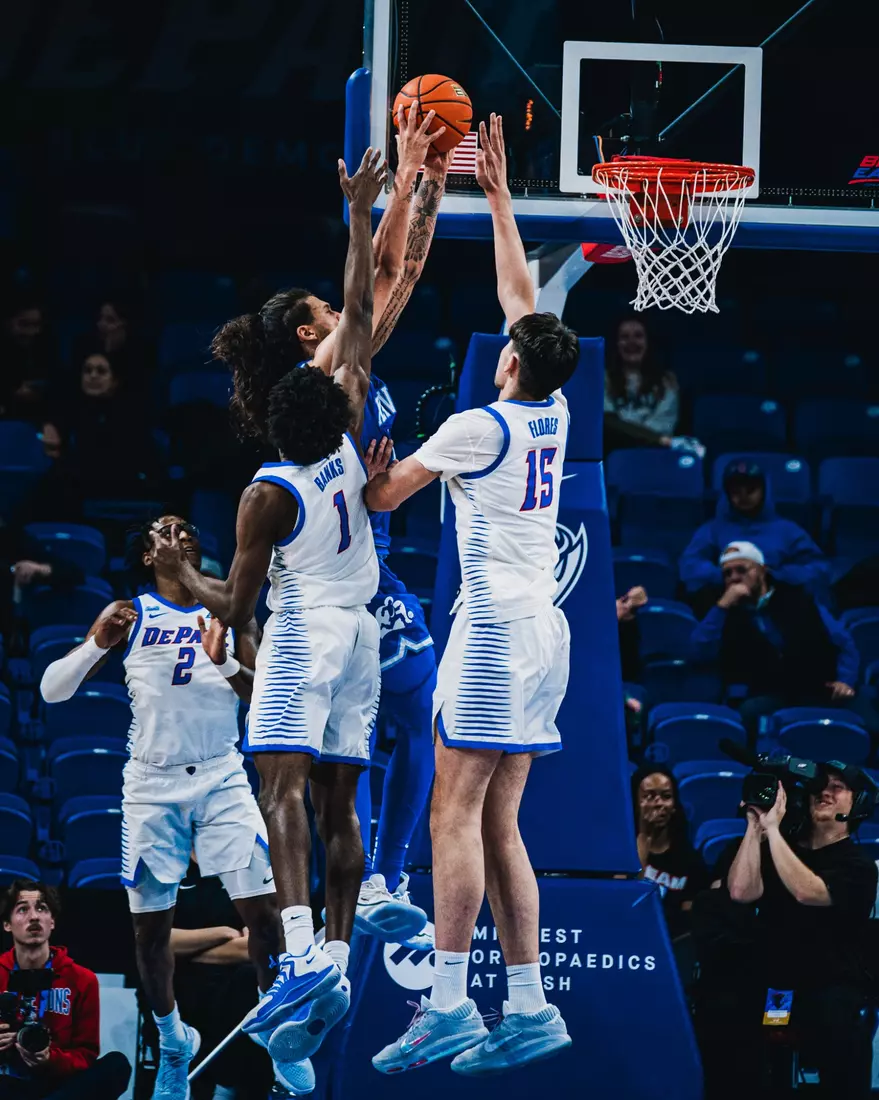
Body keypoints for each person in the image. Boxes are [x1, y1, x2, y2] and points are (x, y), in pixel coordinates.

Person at [149, 148, 390, 1067]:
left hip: (305, 635)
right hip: (362, 633)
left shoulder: (265, 492)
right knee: (339, 800)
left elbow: (232, 605)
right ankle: (333, 950)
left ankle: (296, 955)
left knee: (276, 789)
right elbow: (361, 315)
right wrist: (359, 216)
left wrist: (181, 569)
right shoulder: (347, 423)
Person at [367, 114, 577, 1077]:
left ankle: (449, 1004)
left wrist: (368, 463)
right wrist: (496, 196)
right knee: (501, 822)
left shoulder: (473, 426)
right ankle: (530, 1008)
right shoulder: (554, 407)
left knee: (453, 815)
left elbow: (381, 497)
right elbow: (521, 302)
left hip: (491, 632)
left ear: (507, 364)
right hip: (546, 633)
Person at [212, 104, 451, 944]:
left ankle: (374, 888)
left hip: (354, 577)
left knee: (408, 713)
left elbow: (380, 271)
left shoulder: (330, 368)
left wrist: (413, 174)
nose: (342, 303)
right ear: (314, 332)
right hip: (345, 579)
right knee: (381, 730)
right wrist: (417, 179)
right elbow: (385, 280)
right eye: (328, 305)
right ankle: (359, 897)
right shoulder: (330, 364)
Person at [39, 514, 285, 1100]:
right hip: (151, 785)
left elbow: (263, 697)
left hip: (223, 774)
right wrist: (96, 642)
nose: (177, 533)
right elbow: (52, 690)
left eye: (185, 528)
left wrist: (225, 661)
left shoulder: (230, 608)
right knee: (150, 935)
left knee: (268, 918)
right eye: (162, 530)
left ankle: (278, 1035)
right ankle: (176, 1040)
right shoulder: (131, 613)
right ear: (148, 556)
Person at [699, 767, 879, 1099]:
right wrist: (755, 827)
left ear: (859, 805)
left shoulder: (859, 866)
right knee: (723, 1012)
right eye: (819, 787)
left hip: (828, 983)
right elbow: (740, 892)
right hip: (776, 985)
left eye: (838, 788)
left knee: (839, 1025)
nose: (824, 793)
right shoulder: (780, 846)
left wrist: (774, 833)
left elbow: (807, 892)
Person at [689, 541, 879, 742]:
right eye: (727, 574)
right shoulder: (722, 610)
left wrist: (845, 680)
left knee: (872, 724)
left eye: (741, 570)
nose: (734, 578)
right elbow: (698, 651)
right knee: (748, 715)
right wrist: (722, 606)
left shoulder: (799, 598)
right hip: (772, 690)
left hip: (822, 684)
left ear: (762, 570)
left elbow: (843, 643)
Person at [167, 859, 301, 1099]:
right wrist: (223, 933)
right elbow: (157, 942)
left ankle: (227, 1085)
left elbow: (257, 945)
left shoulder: (247, 868)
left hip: (237, 983)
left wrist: (191, 950)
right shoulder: (169, 868)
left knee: (253, 982)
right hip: (181, 985)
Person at [0, 880, 131, 1099]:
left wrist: (50, 1058)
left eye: (42, 908)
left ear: (52, 922)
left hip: (59, 1085)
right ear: (7, 924)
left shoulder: (82, 979)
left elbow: (85, 1055)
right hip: (7, 1081)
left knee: (117, 1065)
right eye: (22, 909)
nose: (34, 917)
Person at [680, 458, 829, 615]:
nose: (743, 496)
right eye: (736, 491)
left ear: (764, 491)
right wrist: (729, 575)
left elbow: (819, 568)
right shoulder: (712, 529)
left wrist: (775, 575)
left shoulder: (788, 530)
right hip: (727, 602)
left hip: (779, 603)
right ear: (727, 494)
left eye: (750, 489)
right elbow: (689, 565)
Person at [40, 350, 159, 502]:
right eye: (87, 370)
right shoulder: (70, 410)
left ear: (115, 380)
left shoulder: (132, 413)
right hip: (79, 487)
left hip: (122, 485)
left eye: (101, 371)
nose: (93, 375)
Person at [631, 765, 709, 940]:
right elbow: (628, 899)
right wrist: (644, 834)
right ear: (634, 803)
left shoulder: (691, 861)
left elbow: (690, 921)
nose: (658, 803)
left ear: (674, 805)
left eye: (666, 796)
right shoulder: (620, 852)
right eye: (648, 796)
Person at [604, 316, 680, 451]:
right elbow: (608, 424)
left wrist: (629, 432)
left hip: (655, 453)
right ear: (616, 343)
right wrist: (653, 439)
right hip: (615, 452)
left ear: (648, 342)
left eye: (638, 336)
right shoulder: (603, 379)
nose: (631, 342)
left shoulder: (667, 381)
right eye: (624, 337)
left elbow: (663, 427)